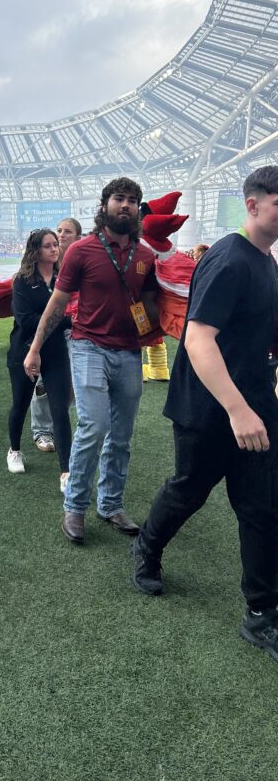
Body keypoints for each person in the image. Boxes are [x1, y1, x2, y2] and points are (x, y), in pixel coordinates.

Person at [132, 166, 278, 661]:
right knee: (189, 490)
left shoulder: (265, 262)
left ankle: (261, 613)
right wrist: (238, 411)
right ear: (253, 205)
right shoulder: (229, 259)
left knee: (261, 507)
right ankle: (146, 548)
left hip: (255, 404)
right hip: (211, 409)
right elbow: (198, 340)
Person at [24, 177, 159, 542]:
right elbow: (57, 304)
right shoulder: (81, 250)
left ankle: (110, 504)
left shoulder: (146, 256)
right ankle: (75, 506)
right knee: (94, 425)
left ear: (138, 209)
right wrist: (35, 348)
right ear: (104, 206)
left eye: (132, 200)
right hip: (89, 346)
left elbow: (151, 305)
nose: (126, 205)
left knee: (122, 435)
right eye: (119, 198)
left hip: (129, 351)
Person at [6, 229, 72, 483]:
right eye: (48, 245)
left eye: (55, 244)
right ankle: (14, 450)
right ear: (35, 251)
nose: (54, 249)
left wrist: (63, 319)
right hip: (24, 350)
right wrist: (65, 319)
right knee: (20, 403)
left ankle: (66, 471)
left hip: (55, 351)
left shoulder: (63, 278)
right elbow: (26, 320)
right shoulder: (22, 281)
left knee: (60, 410)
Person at [30, 217, 82, 473]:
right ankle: (42, 430)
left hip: (77, 329)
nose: (61, 235)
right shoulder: (48, 261)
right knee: (44, 382)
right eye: (59, 230)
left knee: (70, 385)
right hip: (52, 330)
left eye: (67, 231)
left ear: (78, 236)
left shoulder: (82, 259)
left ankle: (57, 422)